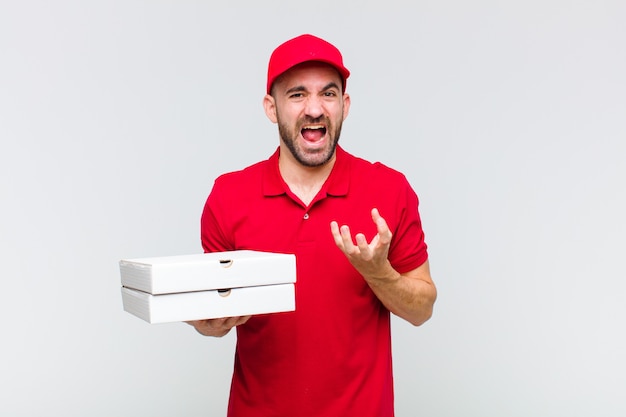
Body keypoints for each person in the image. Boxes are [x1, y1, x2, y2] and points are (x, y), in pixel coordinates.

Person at [187, 34, 437, 417]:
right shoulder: (228, 196)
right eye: (298, 94)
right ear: (271, 108)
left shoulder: (389, 190)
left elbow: (422, 309)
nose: (315, 109)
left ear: (345, 105)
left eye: (329, 93)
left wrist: (379, 274)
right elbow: (213, 313)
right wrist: (209, 322)